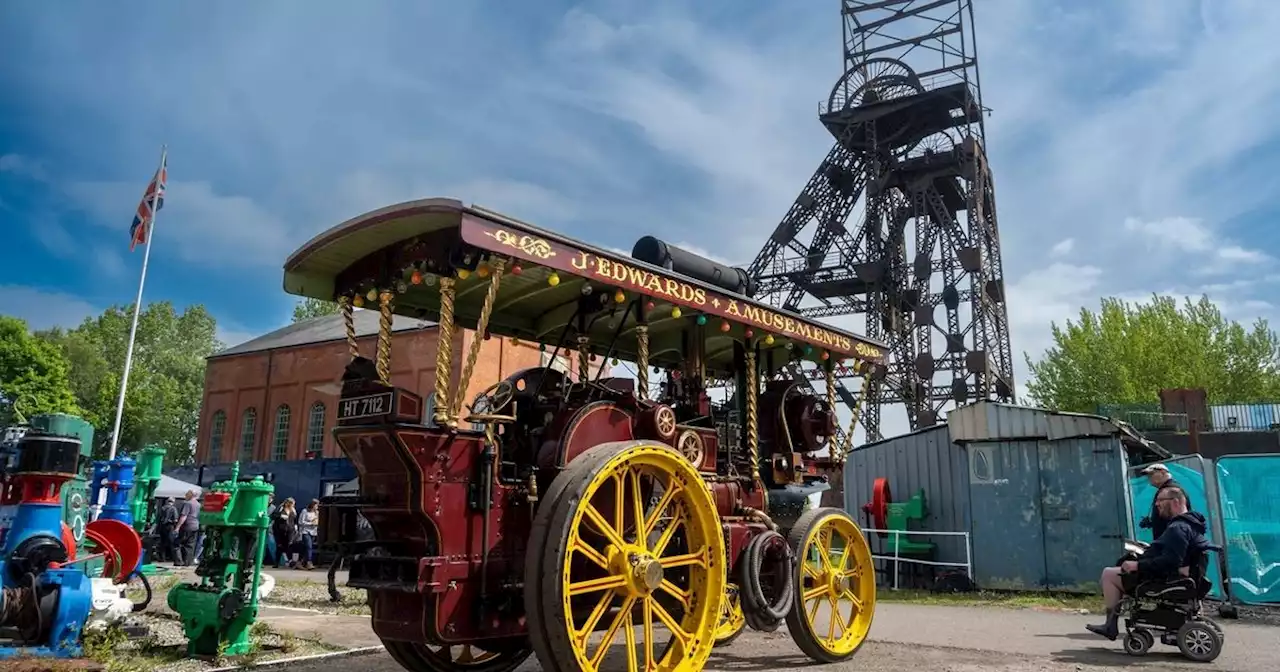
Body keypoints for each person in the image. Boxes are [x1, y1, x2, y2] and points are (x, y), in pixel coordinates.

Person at [1087, 486, 1208, 640]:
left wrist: (1138, 565)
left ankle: (1110, 625)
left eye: (1161, 501)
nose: (1157, 505)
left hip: (1167, 580)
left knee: (1109, 574)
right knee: (1123, 564)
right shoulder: (1192, 524)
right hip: (1180, 576)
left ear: (1176, 502)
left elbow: (1171, 562)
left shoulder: (1178, 528)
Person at [1138, 463, 1189, 540]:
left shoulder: (1170, 490)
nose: (1149, 478)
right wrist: (1153, 522)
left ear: (1162, 472)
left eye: (1151, 474)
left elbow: (1177, 515)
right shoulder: (1167, 489)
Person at [174, 490, 202, 566]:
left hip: (187, 525)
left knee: (177, 544)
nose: (185, 495)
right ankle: (188, 562)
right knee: (190, 545)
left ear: (190, 495)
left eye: (186, 494)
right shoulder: (199, 504)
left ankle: (179, 561)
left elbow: (184, 516)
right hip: (195, 526)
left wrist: (177, 527)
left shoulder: (187, 503)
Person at [271, 497, 298, 569]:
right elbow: (273, 516)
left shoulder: (293, 510)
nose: (292, 505)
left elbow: (295, 520)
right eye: (291, 504)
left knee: (289, 545)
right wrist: (280, 516)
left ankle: (290, 561)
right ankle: (276, 562)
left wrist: (295, 527)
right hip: (280, 530)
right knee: (279, 546)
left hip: (290, 530)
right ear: (287, 503)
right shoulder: (280, 508)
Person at [298, 499, 321, 570]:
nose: (317, 507)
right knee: (309, 546)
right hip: (306, 531)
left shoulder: (317, 512)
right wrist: (311, 523)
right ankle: (309, 562)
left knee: (305, 548)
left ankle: (300, 562)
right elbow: (301, 522)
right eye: (316, 505)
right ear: (313, 505)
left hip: (313, 532)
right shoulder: (305, 511)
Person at [157, 497, 179, 563]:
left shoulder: (163, 508)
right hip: (170, 526)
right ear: (173, 502)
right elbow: (175, 519)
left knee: (162, 543)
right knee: (172, 542)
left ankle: (162, 558)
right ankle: (174, 558)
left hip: (162, 526)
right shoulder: (173, 508)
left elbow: (159, 517)